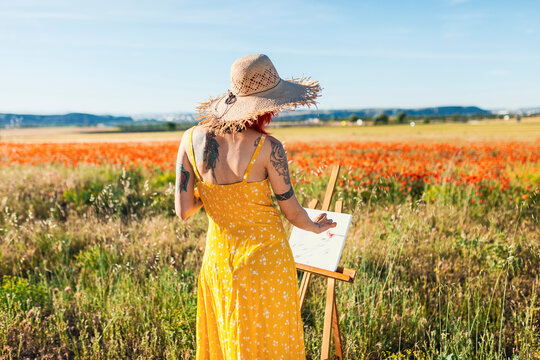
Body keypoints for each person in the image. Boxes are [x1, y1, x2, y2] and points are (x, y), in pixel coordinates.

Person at [175, 54, 336, 359]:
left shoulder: (188, 139)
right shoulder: (268, 148)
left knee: (231, 341)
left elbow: (183, 210)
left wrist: (213, 195)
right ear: (266, 106)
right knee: (270, 344)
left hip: (220, 264)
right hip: (267, 266)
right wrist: (316, 226)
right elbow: (292, 212)